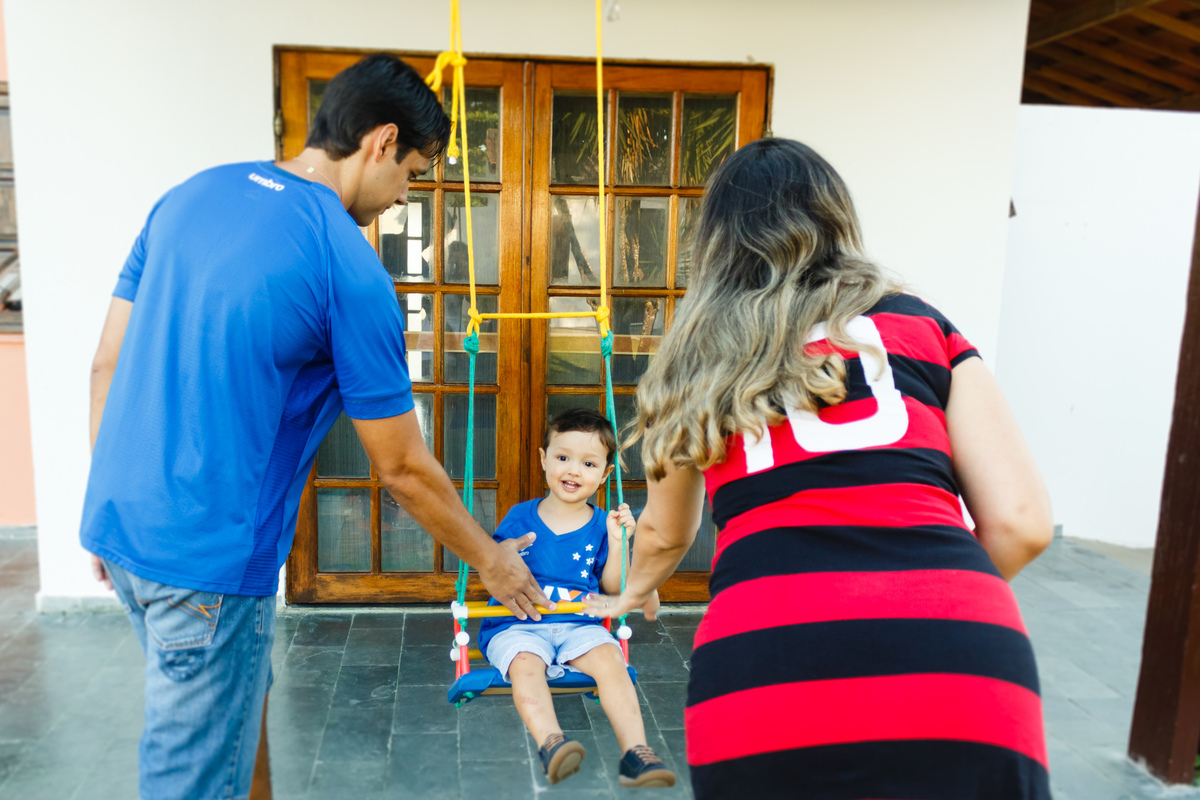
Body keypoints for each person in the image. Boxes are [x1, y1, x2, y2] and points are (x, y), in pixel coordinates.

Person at [81, 53, 553, 800]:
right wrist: (490, 559)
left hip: (120, 526)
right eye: (414, 173)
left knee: (241, 706)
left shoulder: (189, 196)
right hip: (206, 565)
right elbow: (400, 467)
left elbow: (107, 364)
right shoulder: (346, 265)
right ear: (380, 141)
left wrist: (108, 508)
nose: (405, 196)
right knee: (193, 780)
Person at [585, 138, 1054, 799]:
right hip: (963, 661)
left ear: (718, 241)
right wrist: (918, 607)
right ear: (836, 220)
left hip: (768, 663)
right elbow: (1023, 524)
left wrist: (633, 591)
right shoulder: (926, 329)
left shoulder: (696, 352)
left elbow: (665, 534)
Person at [478, 408, 675, 789]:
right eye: (563, 457)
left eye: (588, 463)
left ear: (604, 474)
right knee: (525, 665)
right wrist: (503, 555)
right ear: (543, 459)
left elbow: (615, 588)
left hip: (579, 623)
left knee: (611, 661)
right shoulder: (519, 517)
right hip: (518, 623)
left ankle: (638, 753)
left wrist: (619, 544)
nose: (572, 470)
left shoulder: (605, 523)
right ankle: (552, 742)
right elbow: (496, 576)